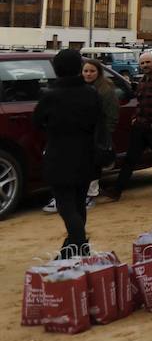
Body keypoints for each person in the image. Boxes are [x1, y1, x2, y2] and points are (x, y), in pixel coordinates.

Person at [33, 49, 107, 254]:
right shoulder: (91, 93)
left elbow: (37, 122)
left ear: (56, 69)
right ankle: (74, 246)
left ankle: (79, 244)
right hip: (86, 154)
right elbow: (99, 122)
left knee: (65, 205)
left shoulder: (51, 96)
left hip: (59, 154)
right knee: (78, 202)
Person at [106, 51, 152, 202]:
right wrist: (134, 118)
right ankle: (117, 190)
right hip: (140, 125)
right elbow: (139, 103)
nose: (145, 65)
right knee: (130, 159)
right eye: (142, 63)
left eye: (148, 62)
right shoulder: (142, 81)